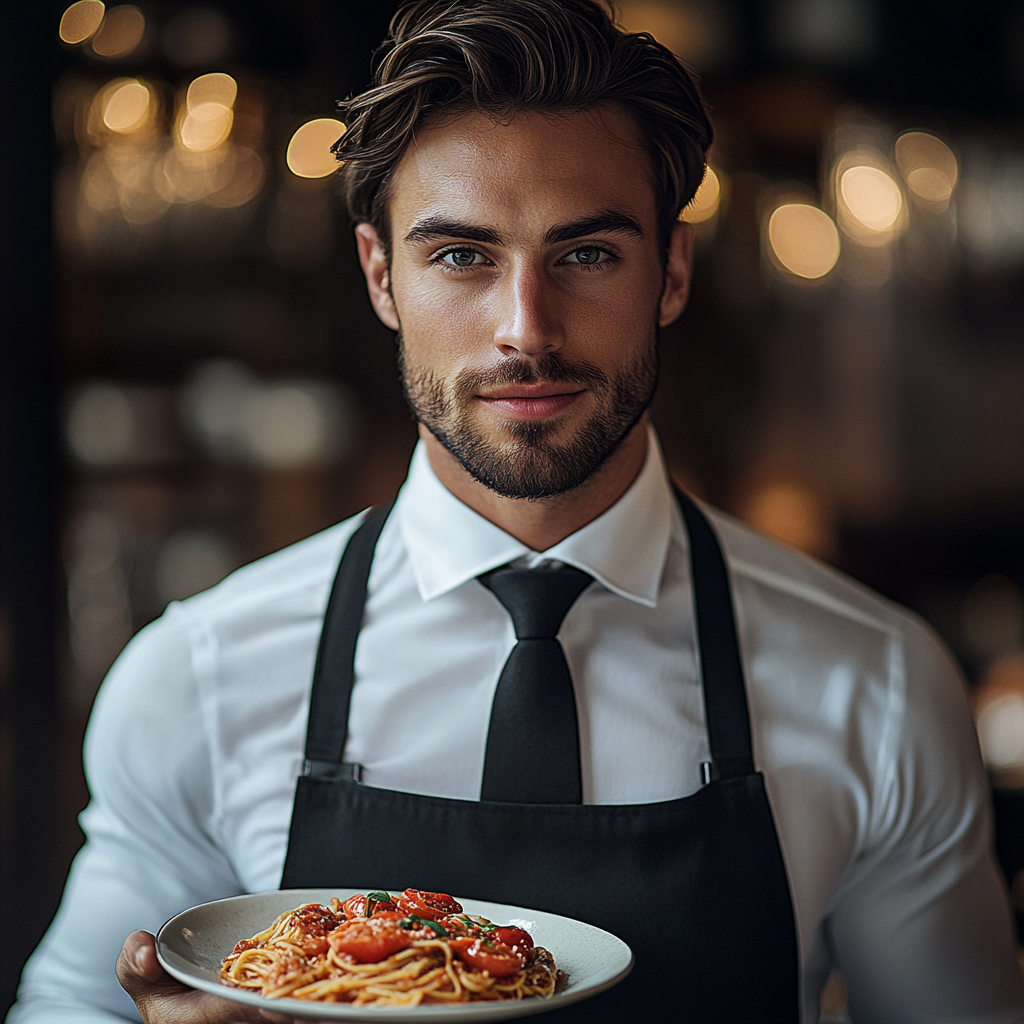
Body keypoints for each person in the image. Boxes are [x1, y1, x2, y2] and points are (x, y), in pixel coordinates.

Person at [9, 1, 1022, 1022]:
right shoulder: (202, 675)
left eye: (585, 254)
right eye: (461, 256)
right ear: (380, 275)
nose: (524, 329)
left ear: (669, 270)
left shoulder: (876, 685)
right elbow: (72, 1003)